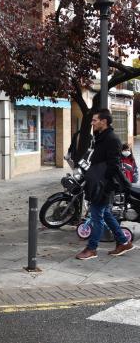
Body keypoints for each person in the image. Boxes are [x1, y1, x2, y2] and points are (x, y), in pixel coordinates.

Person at [76, 109, 134, 260]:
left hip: (103, 186)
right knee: (106, 214)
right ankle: (123, 242)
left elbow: (114, 165)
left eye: (95, 120)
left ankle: (92, 248)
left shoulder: (112, 139)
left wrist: (105, 185)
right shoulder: (99, 137)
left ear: (104, 121)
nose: (92, 122)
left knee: (97, 217)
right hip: (97, 183)